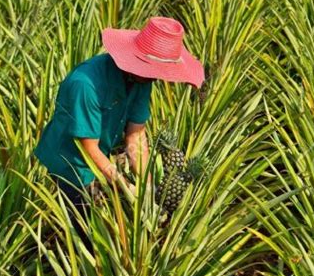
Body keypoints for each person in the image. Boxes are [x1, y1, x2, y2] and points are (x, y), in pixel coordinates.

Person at [33, 16, 205, 246]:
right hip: (71, 159)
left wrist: (146, 183)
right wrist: (123, 185)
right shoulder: (85, 84)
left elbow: (136, 134)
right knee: (83, 221)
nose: (156, 76)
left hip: (101, 148)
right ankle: (79, 262)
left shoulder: (143, 79)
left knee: (109, 214)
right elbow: (88, 148)